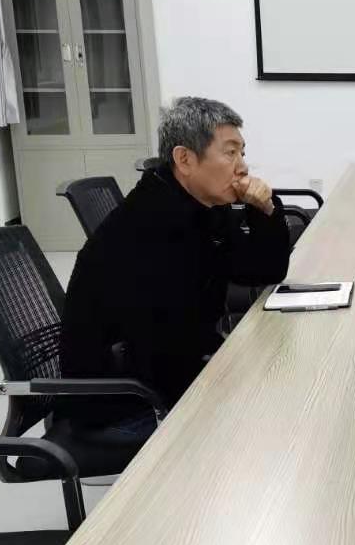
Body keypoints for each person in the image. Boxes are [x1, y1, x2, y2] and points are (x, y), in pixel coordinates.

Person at [60, 96, 292, 436]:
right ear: (184, 159)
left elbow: (261, 270)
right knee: (275, 413)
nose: (242, 167)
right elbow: (166, 351)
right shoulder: (150, 226)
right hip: (125, 406)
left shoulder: (197, 207)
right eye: (230, 153)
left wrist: (265, 211)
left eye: (242, 153)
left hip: (165, 379)